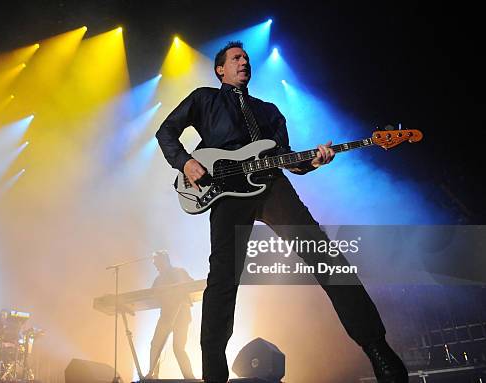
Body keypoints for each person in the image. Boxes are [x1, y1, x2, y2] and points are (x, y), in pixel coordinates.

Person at [155, 41, 408, 383]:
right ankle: (213, 370)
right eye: (236, 58)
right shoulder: (204, 99)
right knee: (224, 279)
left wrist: (314, 161)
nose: (244, 61)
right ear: (221, 69)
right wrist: (186, 162)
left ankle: (378, 348)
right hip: (227, 192)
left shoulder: (270, 111)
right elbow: (166, 131)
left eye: (246, 58)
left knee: (326, 257)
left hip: (272, 185)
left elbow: (290, 160)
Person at [145, 250, 196, 379]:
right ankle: (152, 374)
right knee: (155, 344)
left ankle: (189, 378)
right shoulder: (158, 279)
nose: (156, 266)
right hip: (166, 316)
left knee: (178, 348)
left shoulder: (179, 271)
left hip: (181, 315)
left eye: (157, 262)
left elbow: (192, 285)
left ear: (165, 261)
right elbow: (150, 296)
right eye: (155, 263)